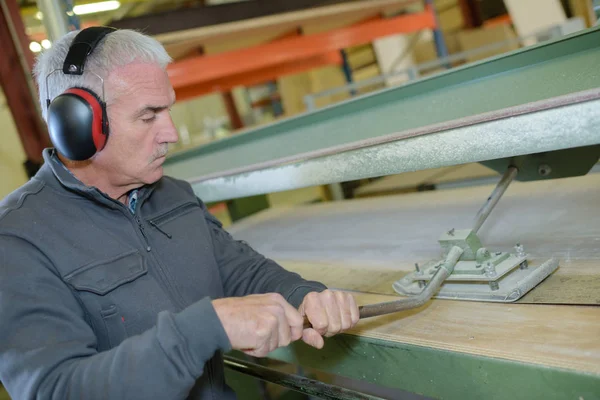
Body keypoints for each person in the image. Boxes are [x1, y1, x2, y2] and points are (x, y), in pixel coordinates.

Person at [0, 26, 359, 399]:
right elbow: (56, 389)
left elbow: (241, 271)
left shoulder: (172, 196)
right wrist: (206, 328)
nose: (171, 133)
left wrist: (304, 296)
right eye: (148, 116)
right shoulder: (18, 240)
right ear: (77, 125)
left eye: (167, 109)